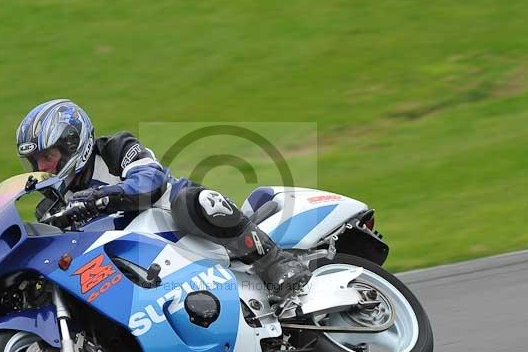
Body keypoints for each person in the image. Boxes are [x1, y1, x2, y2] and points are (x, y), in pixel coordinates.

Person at [16, 99, 311, 296]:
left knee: (191, 203)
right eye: (36, 161)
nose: (42, 168)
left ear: (72, 144)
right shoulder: (52, 209)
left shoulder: (115, 149)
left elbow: (149, 182)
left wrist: (99, 197)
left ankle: (275, 262)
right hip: (140, 265)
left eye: (48, 156)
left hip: (178, 226)